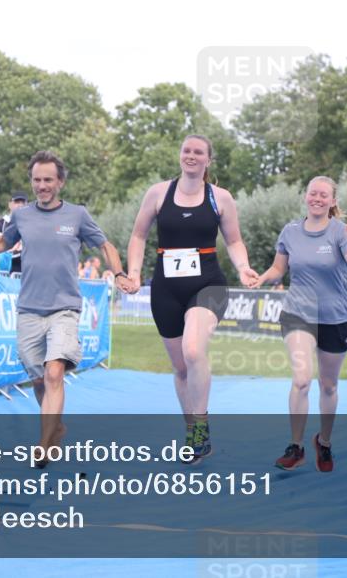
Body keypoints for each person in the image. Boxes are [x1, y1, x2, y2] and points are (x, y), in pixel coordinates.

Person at [0, 151, 134, 466]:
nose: (42, 186)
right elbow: (3, 244)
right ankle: (56, 427)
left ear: (60, 182)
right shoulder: (22, 217)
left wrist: (118, 274)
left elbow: (106, 245)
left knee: (53, 372)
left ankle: (46, 443)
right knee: (38, 380)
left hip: (64, 308)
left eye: (48, 180)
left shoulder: (77, 215)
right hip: (29, 309)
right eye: (37, 180)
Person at [126, 134, 258, 464]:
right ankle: (195, 434)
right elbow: (138, 235)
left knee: (194, 349)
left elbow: (235, 240)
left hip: (208, 284)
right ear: (180, 155)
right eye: (187, 150)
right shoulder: (158, 193)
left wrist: (243, 267)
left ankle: (199, 429)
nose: (192, 156)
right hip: (166, 288)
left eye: (199, 152)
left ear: (208, 160)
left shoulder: (221, 198)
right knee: (181, 367)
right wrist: (133, 272)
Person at [252, 176, 347, 472]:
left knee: (328, 386)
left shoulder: (341, 232)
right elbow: (279, 268)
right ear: (306, 197)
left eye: (323, 195)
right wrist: (262, 278)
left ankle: (324, 443)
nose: (317, 198)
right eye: (312, 193)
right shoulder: (290, 232)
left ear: (332, 201)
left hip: (335, 317)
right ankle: (296, 446)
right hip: (298, 313)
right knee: (302, 380)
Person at [0, 191, 28, 273]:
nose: (20, 205)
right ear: (10, 204)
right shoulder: (1, 224)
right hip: (7, 268)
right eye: (16, 202)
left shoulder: (32, 224)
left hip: (26, 268)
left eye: (22, 202)